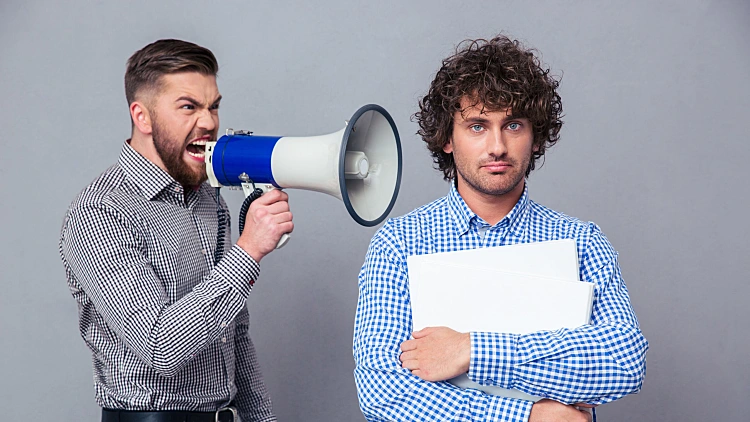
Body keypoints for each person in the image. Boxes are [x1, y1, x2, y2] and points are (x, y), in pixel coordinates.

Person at [353, 35, 648, 421]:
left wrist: (471, 351)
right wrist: (528, 416)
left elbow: (622, 362)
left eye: (512, 125)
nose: (497, 146)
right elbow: (383, 392)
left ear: (535, 136)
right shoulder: (399, 244)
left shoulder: (582, 242)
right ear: (446, 138)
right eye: (477, 126)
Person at [59, 39, 292, 422]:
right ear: (143, 116)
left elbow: (231, 333)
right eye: (189, 107)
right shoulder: (99, 212)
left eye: (213, 106)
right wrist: (249, 249)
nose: (209, 122)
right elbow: (160, 347)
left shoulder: (207, 199)